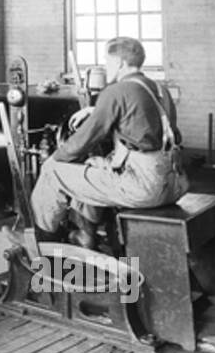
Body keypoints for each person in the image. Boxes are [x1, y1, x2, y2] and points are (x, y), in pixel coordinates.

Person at [30, 37, 188, 248]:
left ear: (121, 63)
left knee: (53, 172)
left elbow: (82, 141)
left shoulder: (116, 91)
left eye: (107, 61)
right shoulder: (159, 90)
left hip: (143, 187)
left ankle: (41, 247)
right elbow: (143, 118)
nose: (105, 67)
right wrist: (96, 109)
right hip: (174, 182)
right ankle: (87, 235)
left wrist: (54, 158)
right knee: (94, 164)